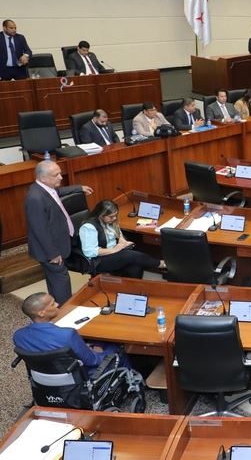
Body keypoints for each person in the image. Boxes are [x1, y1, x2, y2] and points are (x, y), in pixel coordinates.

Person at [25, 161, 93, 303]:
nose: (61, 177)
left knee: (56, 280)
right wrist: (53, 253)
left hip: (60, 242)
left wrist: (78, 188)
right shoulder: (35, 198)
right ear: (43, 178)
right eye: (56, 175)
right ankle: (64, 311)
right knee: (60, 281)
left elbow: (58, 192)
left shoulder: (46, 188)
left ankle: (57, 305)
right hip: (49, 250)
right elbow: (39, 229)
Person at [13, 293, 124, 375]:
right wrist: (104, 352)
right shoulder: (67, 334)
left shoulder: (18, 336)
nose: (57, 304)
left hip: (46, 376)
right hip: (78, 375)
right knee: (116, 349)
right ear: (41, 313)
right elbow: (92, 361)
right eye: (52, 304)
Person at [78, 200, 165, 278]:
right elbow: (90, 252)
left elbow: (118, 233)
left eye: (115, 215)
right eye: (111, 216)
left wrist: (123, 241)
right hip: (99, 260)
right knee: (130, 256)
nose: (114, 218)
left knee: (135, 266)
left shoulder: (110, 221)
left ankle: (133, 292)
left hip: (114, 252)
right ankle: (161, 264)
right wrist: (115, 249)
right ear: (101, 215)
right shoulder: (89, 227)